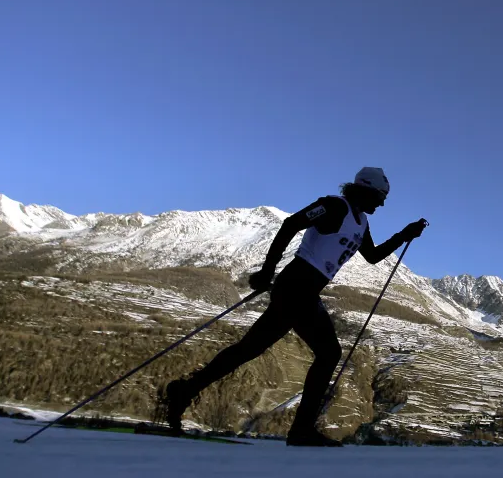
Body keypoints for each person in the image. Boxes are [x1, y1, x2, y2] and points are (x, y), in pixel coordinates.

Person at [157, 166, 427, 447]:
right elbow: (291, 224)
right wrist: (267, 271)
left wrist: (405, 234)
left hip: (306, 289)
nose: (381, 203)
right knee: (328, 353)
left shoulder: (360, 222)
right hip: (297, 285)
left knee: (249, 349)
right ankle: (301, 430)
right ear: (365, 189)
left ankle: (184, 390)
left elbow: (371, 256)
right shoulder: (334, 206)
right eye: (380, 196)